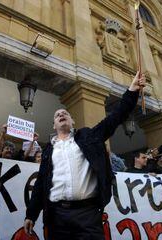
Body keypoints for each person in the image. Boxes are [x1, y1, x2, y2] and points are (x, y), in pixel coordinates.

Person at [24, 71, 144, 239]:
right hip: (56, 217)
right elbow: (41, 184)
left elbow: (116, 117)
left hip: (88, 216)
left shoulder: (89, 137)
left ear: (72, 121)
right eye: (57, 115)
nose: (61, 114)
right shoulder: (48, 151)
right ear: (54, 125)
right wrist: (31, 214)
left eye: (64, 113)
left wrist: (132, 90)